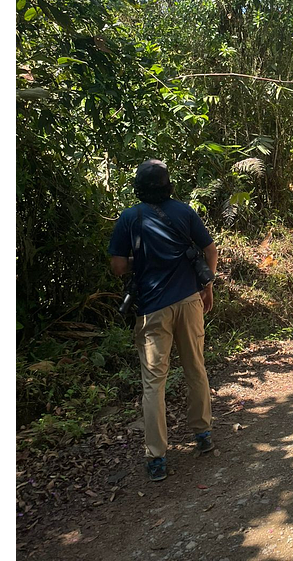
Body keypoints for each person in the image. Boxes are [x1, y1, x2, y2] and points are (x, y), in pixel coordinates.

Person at [108, 159, 218, 482]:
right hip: (189, 301)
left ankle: (156, 458)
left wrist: (137, 261)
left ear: (139, 188)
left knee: (153, 382)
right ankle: (203, 435)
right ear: (168, 185)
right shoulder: (184, 212)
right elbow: (210, 249)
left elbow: (116, 266)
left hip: (153, 310)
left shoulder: (129, 219)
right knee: (195, 367)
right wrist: (207, 285)